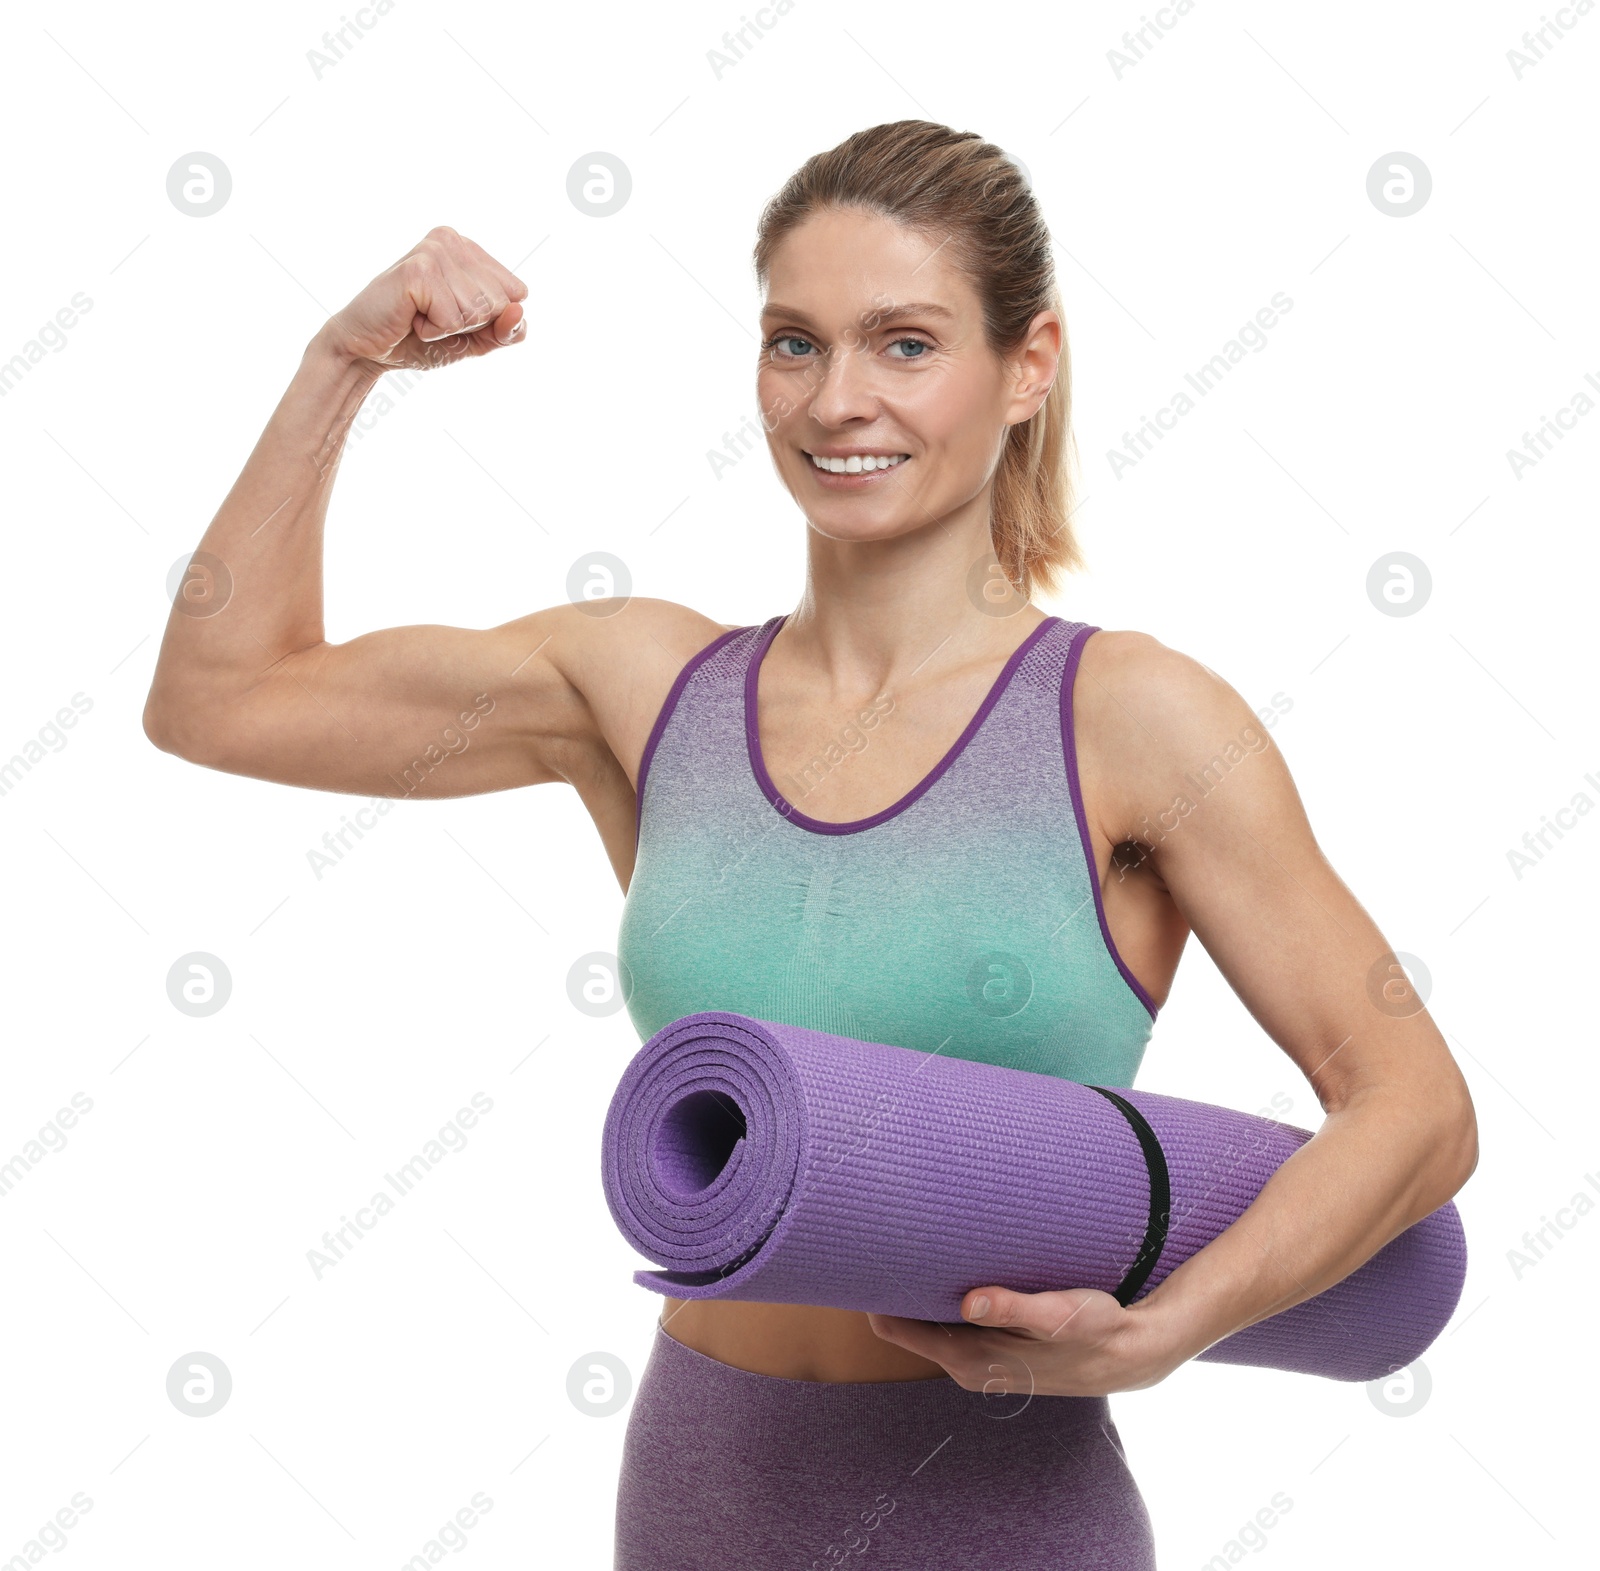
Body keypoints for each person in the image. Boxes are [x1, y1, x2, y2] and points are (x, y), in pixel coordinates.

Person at [143, 119, 1478, 1569]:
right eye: (795, 343)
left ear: (1027, 365)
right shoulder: (647, 688)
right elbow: (219, 701)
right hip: (705, 1481)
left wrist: (1174, 1328)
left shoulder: (1136, 720)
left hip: (1005, 1509)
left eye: (906, 345)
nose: (839, 400)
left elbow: (1414, 1107)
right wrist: (341, 364)